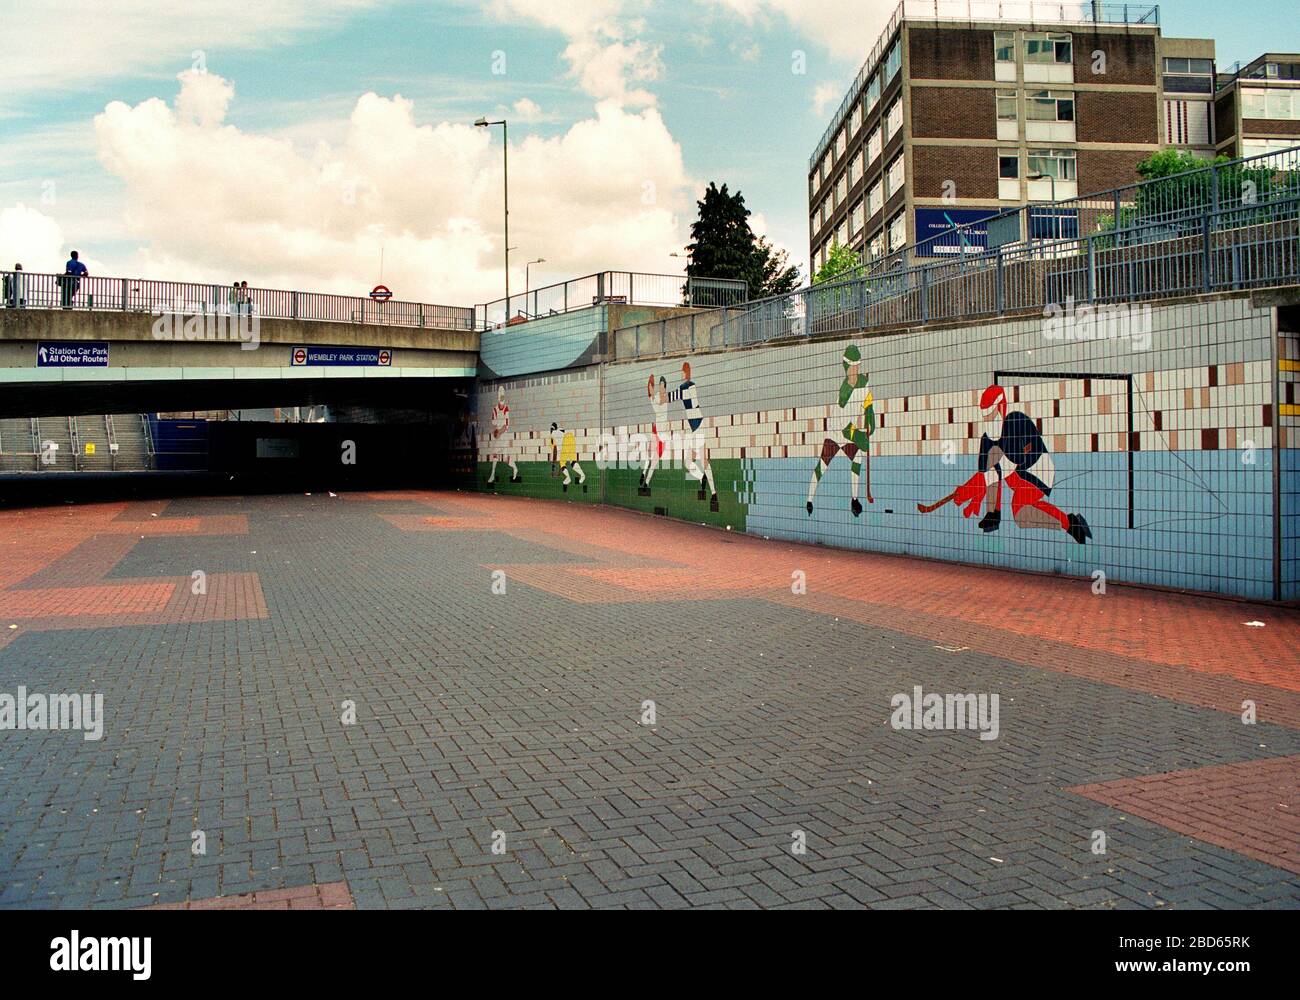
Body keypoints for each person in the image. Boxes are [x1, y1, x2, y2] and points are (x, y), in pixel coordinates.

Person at [950, 384, 1092, 545]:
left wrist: (969, 489)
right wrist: (970, 491)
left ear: (1000, 408)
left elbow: (1007, 466)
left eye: (990, 413)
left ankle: (1069, 523)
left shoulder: (1016, 422)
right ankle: (993, 513)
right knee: (993, 454)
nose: (987, 419)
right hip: (1015, 475)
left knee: (1021, 513)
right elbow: (984, 472)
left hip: (1036, 471)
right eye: (984, 415)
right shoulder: (987, 439)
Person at [807, 344, 875, 518]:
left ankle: (854, 499)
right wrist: (859, 436)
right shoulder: (845, 389)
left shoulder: (864, 384)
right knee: (822, 466)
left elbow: (868, 406)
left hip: (848, 431)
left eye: (856, 366)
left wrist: (870, 420)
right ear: (846, 366)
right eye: (850, 366)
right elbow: (844, 425)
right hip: (836, 432)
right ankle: (809, 500)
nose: (853, 370)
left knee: (857, 457)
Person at [485, 386, 520, 485]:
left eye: (503, 396)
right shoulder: (495, 409)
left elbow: (506, 426)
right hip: (500, 435)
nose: (501, 398)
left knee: (495, 453)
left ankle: (492, 475)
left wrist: (499, 432)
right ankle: (515, 468)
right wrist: (496, 432)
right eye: (500, 396)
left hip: (504, 435)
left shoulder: (506, 409)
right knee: (505, 459)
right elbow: (494, 423)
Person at [549, 423, 586, 493]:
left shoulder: (552, 436)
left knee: (562, 462)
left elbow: (555, 451)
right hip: (571, 437)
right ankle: (582, 475)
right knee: (572, 461)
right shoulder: (560, 430)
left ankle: (568, 478)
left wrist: (553, 466)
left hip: (565, 442)